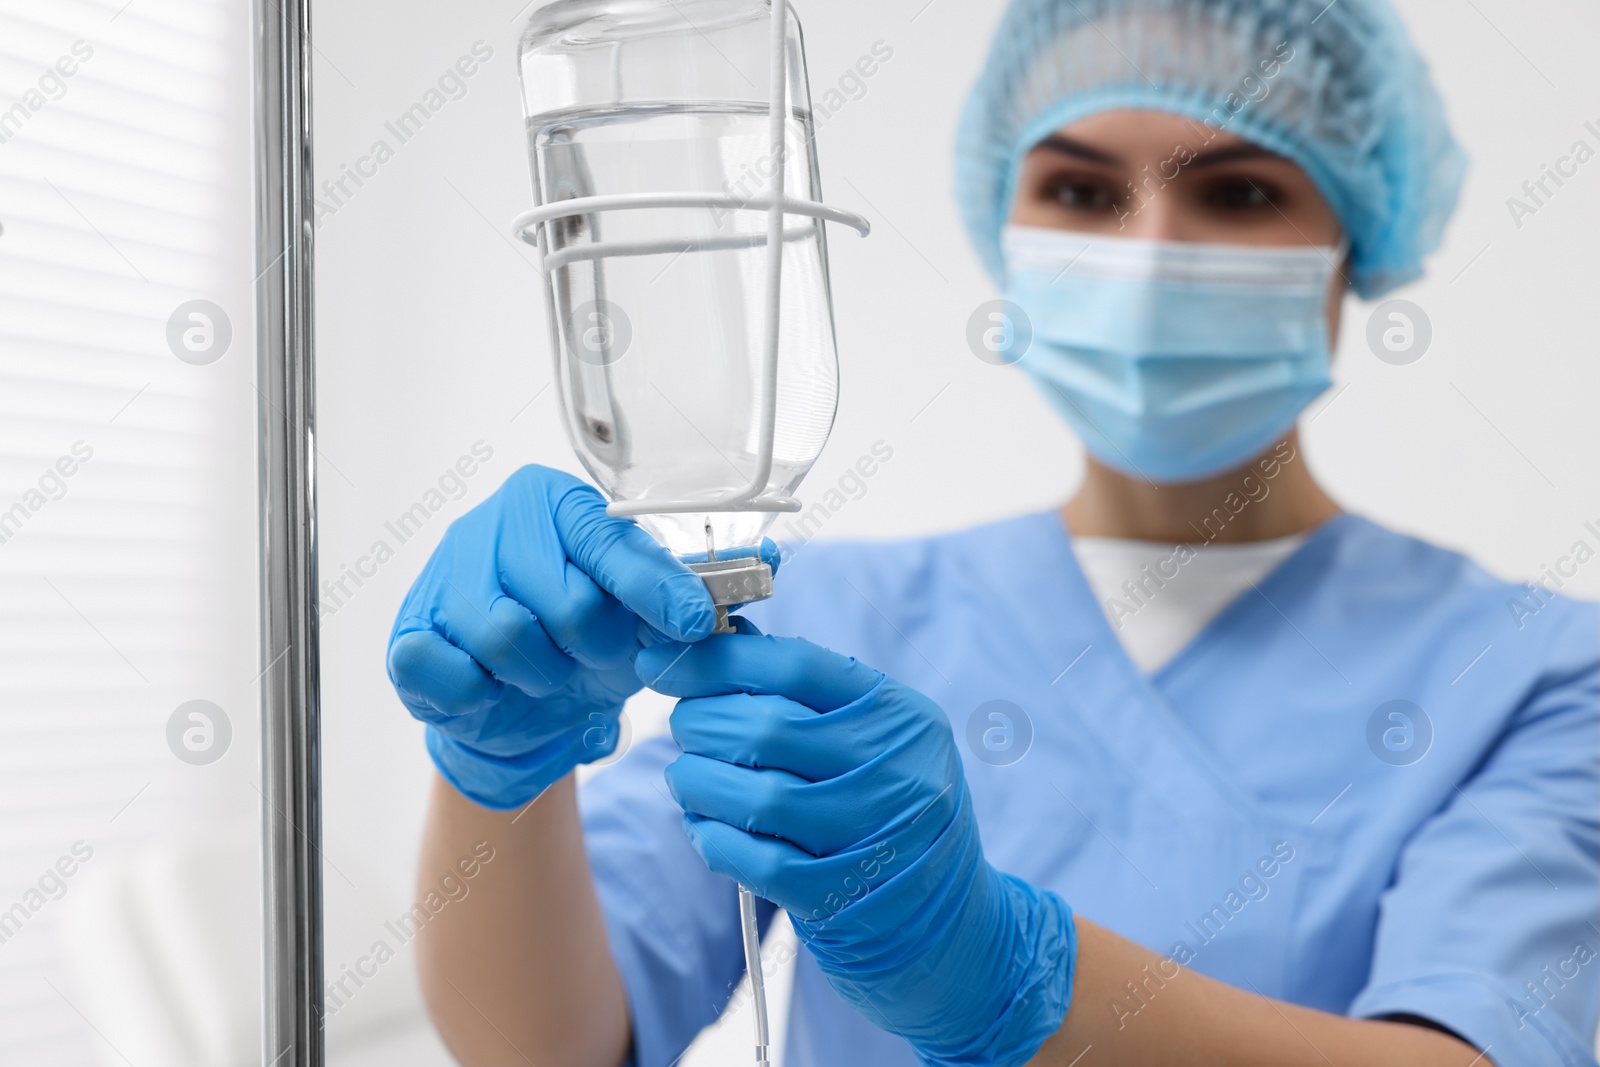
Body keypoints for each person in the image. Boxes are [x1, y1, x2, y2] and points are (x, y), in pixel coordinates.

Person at [385, 0, 1600, 1064]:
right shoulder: (829, 616)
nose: (1147, 254)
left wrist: (1008, 975)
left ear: (1357, 242)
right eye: (1080, 190)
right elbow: (550, 1042)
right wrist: (500, 771)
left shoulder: (1537, 675)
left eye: (1237, 190)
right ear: (1003, 228)